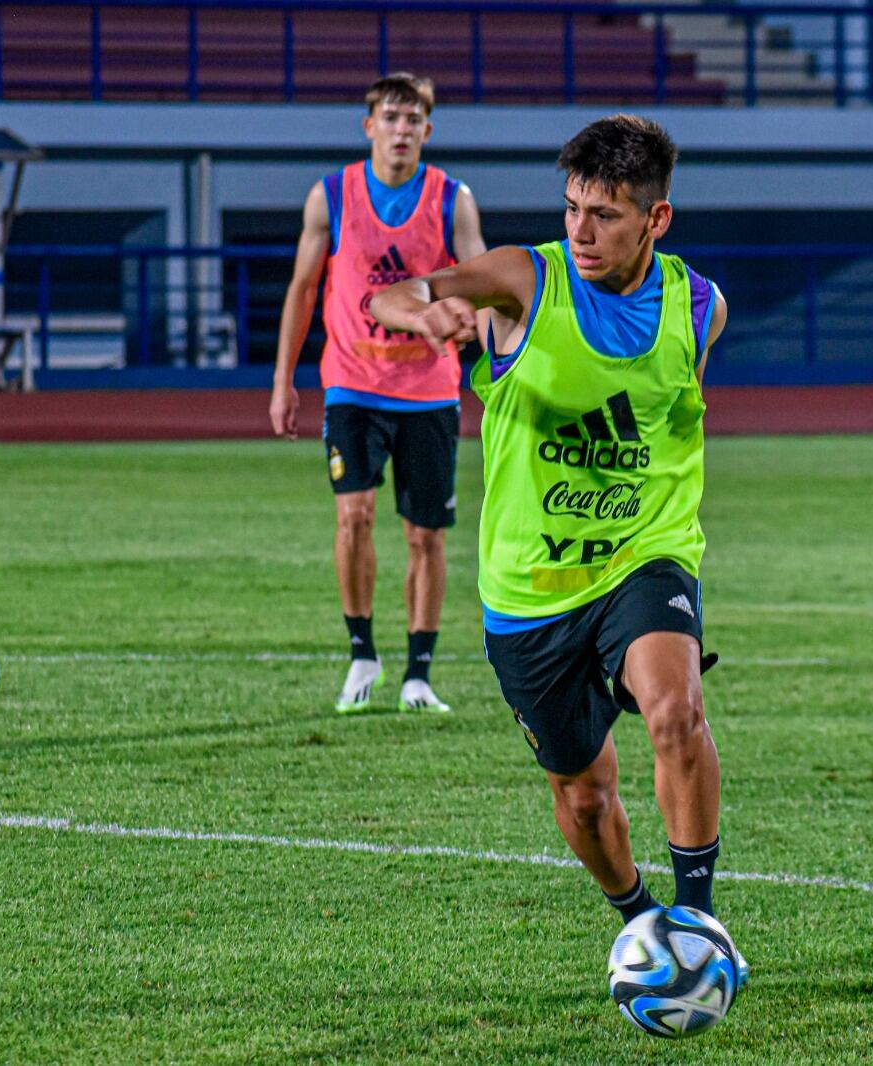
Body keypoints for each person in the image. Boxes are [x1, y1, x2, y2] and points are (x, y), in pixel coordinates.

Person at [370, 116, 743, 951]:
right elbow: (397, 293)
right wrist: (424, 316)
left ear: (657, 219)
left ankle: (700, 922)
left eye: (605, 214)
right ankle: (642, 923)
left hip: (643, 555)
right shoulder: (522, 280)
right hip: (528, 588)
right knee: (583, 794)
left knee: (675, 708)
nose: (580, 229)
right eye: (572, 206)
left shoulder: (698, 308)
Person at [269, 72, 487, 715]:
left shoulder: (452, 199)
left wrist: (467, 316)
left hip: (428, 390)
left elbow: (476, 278)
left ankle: (419, 673)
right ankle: (363, 653)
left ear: (427, 130)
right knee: (353, 514)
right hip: (353, 386)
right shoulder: (332, 196)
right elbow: (303, 290)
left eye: (413, 119)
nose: (401, 130)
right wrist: (284, 380)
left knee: (426, 536)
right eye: (390, 118)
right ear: (370, 127)